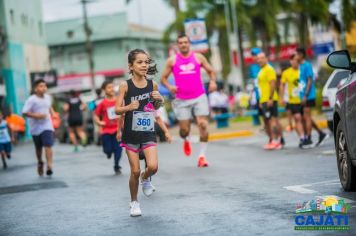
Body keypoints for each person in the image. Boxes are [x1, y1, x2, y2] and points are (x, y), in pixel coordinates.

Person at [115, 49, 164, 217]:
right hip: (130, 134)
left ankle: (146, 178)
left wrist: (159, 100)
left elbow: (155, 107)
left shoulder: (153, 84)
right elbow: (116, 109)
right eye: (140, 62)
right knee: (134, 171)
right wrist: (128, 107)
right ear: (131, 66)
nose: (144, 65)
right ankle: (134, 202)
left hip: (148, 132)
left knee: (153, 166)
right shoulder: (125, 85)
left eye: (146, 62)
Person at [161, 34, 217, 167]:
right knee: (184, 130)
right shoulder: (172, 60)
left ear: (189, 43)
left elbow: (211, 71)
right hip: (181, 99)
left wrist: (213, 82)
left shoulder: (198, 57)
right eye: (180, 43)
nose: (183, 44)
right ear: (177, 45)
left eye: (185, 42)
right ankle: (186, 138)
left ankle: (202, 156)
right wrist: (170, 87)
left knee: (203, 124)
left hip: (199, 96)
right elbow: (163, 78)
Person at [296, 48, 328, 147]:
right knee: (305, 117)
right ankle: (321, 133)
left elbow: (310, 80)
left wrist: (305, 95)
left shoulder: (307, 65)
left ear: (301, 55)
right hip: (302, 96)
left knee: (307, 117)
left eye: (296, 54)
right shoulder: (300, 66)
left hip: (308, 95)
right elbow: (301, 81)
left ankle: (309, 139)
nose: (295, 56)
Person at [23, 79, 56, 176]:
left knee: (48, 145)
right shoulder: (31, 100)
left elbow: (49, 107)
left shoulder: (48, 97)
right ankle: (40, 162)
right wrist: (37, 116)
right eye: (41, 86)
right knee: (38, 148)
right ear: (36, 88)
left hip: (47, 125)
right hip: (35, 128)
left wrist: (53, 113)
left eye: (45, 86)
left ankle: (49, 165)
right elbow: (25, 112)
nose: (44, 88)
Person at [94, 81, 123, 175]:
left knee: (118, 149)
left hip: (117, 130)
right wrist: (99, 122)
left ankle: (116, 165)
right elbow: (96, 115)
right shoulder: (102, 103)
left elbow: (124, 112)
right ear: (104, 90)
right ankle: (108, 153)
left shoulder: (118, 101)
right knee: (108, 150)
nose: (112, 89)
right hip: (106, 131)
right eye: (109, 87)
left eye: (112, 87)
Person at [256, 52, 283, 150]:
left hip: (269, 99)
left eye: (261, 58)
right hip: (263, 100)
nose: (259, 60)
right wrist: (260, 101)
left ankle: (276, 141)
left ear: (266, 59)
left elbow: (273, 83)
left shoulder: (269, 69)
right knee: (268, 121)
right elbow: (261, 88)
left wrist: (270, 98)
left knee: (272, 120)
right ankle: (275, 140)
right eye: (258, 58)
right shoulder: (261, 70)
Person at [280, 54, 307, 148]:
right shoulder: (286, 73)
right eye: (292, 60)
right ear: (290, 61)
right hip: (293, 100)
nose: (294, 62)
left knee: (305, 119)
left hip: (304, 98)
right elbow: (282, 85)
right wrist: (282, 97)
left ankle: (308, 135)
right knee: (297, 118)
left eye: (295, 60)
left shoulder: (302, 70)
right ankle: (302, 138)